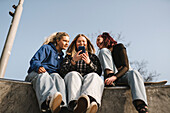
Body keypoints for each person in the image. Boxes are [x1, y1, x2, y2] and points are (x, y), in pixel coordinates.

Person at [96, 32, 148, 113]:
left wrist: (115, 77)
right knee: (103, 51)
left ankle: (141, 105)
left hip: (123, 75)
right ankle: (110, 76)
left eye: (98, 40)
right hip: (111, 80)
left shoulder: (119, 47)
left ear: (105, 38)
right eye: (96, 42)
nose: (97, 43)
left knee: (134, 73)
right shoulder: (102, 53)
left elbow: (126, 67)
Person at [25, 32, 70, 113]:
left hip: (50, 77)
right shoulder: (46, 48)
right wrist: (39, 67)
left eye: (68, 42)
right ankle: (48, 100)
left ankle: (62, 106)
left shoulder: (62, 58)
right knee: (44, 75)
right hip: (36, 74)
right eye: (64, 41)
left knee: (57, 77)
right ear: (58, 40)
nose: (67, 43)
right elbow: (34, 60)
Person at [60, 34, 104, 113]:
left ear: (87, 44)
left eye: (83, 41)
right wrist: (73, 61)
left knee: (94, 75)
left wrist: (89, 62)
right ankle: (75, 104)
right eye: (79, 41)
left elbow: (98, 72)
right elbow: (63, 71)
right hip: (74, 81)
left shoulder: (93, 57)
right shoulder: (69, 56)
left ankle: (87, 102)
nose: (81, 43)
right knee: (73, 74)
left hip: (88, 81)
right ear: (75, 44)